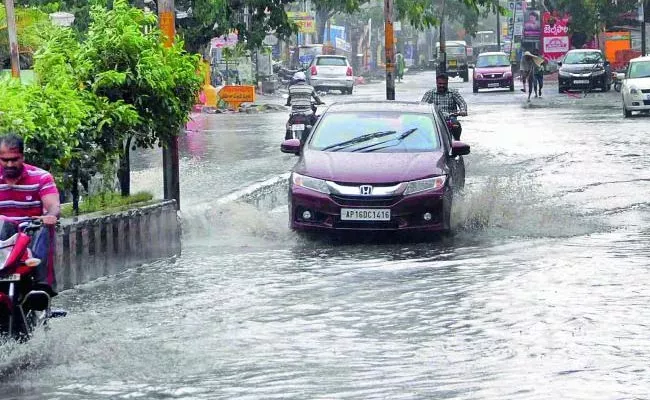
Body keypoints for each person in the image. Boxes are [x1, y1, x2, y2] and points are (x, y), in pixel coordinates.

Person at [0, 133, 60, 297]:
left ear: (23, 157)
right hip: (2, 240)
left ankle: (41, 285)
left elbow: (53, 205)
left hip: (28, 236)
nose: (10, 164)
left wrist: (50, 216)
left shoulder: (41, 177)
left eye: (14, 159)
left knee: (43, 228)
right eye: (5, 160)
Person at [421, 74, 468, 140]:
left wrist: (463, 111)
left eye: (444, 84)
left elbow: (462, 103)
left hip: (450, 119)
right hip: (435, 120)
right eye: (440, 83)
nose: (442, 85)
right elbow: (422, 106)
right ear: (436, 83)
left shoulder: (453, 93)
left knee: (456, 125)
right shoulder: (430, 93)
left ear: (447, 83)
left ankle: (457, 142)